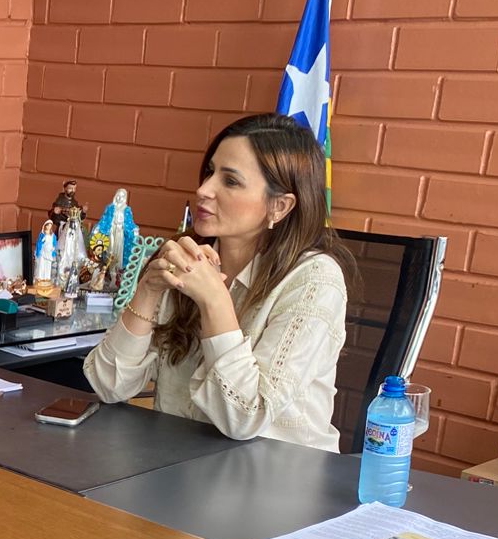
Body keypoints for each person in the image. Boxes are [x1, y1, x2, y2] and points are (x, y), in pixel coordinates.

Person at [83, 113, 350, 451]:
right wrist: (148, 291)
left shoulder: (315, 280)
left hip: (277, 473)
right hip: (177, 462)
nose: (203, 190)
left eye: (231, 181)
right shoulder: (187, 256)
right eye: (210, 172)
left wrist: (214, 302)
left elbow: (243, 418)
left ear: (280, 206)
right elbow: (108, 386)